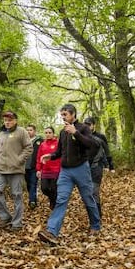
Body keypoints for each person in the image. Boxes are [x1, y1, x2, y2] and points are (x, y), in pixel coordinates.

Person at [37, 104, 101, 246]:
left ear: (73, 114)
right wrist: (50, 156)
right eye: (62, 115)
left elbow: (93, 145)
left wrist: (76, 133)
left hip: (81, 169)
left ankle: (96, 225)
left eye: (65, 114)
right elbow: (60, 152)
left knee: (88, 198)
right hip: (65, 171)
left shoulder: (83, 128)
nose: (63, 117)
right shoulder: (62, 132)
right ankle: (51, 232)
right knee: (61, 199)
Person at [0, 111, 33, 231]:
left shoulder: (22, 132)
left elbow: (29, 148)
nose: (7, 122)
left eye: (10, 120)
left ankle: (17, 223)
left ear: (15, 120)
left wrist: (19, 160)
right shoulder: (1, 134)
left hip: (16, 170)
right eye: (5, 120)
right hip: (1, 168)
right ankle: (5, 216)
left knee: (17, 195)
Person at [84, 117, 114, 217]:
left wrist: (110, 166)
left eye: (89, 124)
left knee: (94, 191)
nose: (87, 126)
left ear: (93, 125)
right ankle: (92, 213)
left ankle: (97, 214)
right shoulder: (82, 136)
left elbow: (107, 151)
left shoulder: (101, 137)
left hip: (97, 167)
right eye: (86, 125)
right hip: (85, 168)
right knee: (87, 193)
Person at [36, 126, 61, 210]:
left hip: (56, 170)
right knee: (44, 189)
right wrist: (38, 169)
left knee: (54, 188)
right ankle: (53, 199)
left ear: (53, 134)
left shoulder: (57, 143)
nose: (48, 134)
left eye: (50, 132)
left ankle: (53, 204)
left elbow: (60, 155)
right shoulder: (42, 144)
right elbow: (39, 157)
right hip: (45, 170)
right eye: (46, 133)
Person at [25, 124, 43, 209]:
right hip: (25, 167)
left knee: (33, 183)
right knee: (28, 184)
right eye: (27, 130)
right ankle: (33, 198)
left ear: (34, 131)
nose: (28, 132)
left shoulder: (39, 141)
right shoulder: (23, 140)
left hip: (35, 166)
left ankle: (32, 201)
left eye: (30, 130)